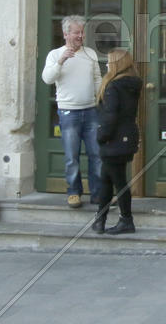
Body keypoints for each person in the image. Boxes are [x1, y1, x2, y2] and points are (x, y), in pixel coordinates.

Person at [41, 15, 102, 209]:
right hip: (69, 113)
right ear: (66, 34)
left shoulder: (90, 53)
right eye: (77, 32)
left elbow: (97, 79)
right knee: (71, 157)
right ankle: (74, 193)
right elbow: (47, 79)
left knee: (96, 155)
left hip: (91, 111)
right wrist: (61, 61)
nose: (80, 36)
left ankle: (98, 194)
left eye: (82, 32)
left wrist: (102, 99)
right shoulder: (55, 55)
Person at [92, 48, 142, 234]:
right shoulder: (132, 83)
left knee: (119, 181)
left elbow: (110, 116)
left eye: (109, 61)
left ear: (116, 64)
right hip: (127, 137)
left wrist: (101, 136)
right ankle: (100, 220)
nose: (106, 64)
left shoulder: (113, 86)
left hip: (113, 140)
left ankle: (126, 220)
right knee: (106, 179)